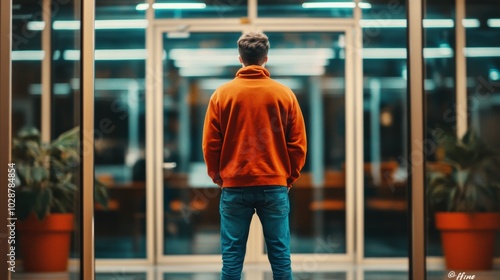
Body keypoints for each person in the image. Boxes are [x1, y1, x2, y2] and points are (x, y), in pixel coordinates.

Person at [202, 31, 307, 280]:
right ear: (266, 58)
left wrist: (220, 177)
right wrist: (287, 178)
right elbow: (298, 144)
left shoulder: (221, 95)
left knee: (231, 259)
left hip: (234, 187)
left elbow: (210, 145)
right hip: (274, 186)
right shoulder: (284, 95)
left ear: (240, 58)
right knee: (281, 258)